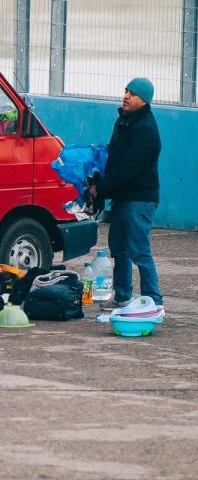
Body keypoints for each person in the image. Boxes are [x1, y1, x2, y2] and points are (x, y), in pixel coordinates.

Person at [88, 77, 163, 310]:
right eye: (126, 91)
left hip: (139, 199)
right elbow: (114, 158)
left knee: (139, 251)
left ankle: (154, 301)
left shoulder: (146, 129)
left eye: (134, 93)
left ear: (145, 100)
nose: (127, 96)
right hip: (123, 197)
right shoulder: (123, 121)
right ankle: (123, 297)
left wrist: (101, 189)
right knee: (119, 249)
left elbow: (129, 168)